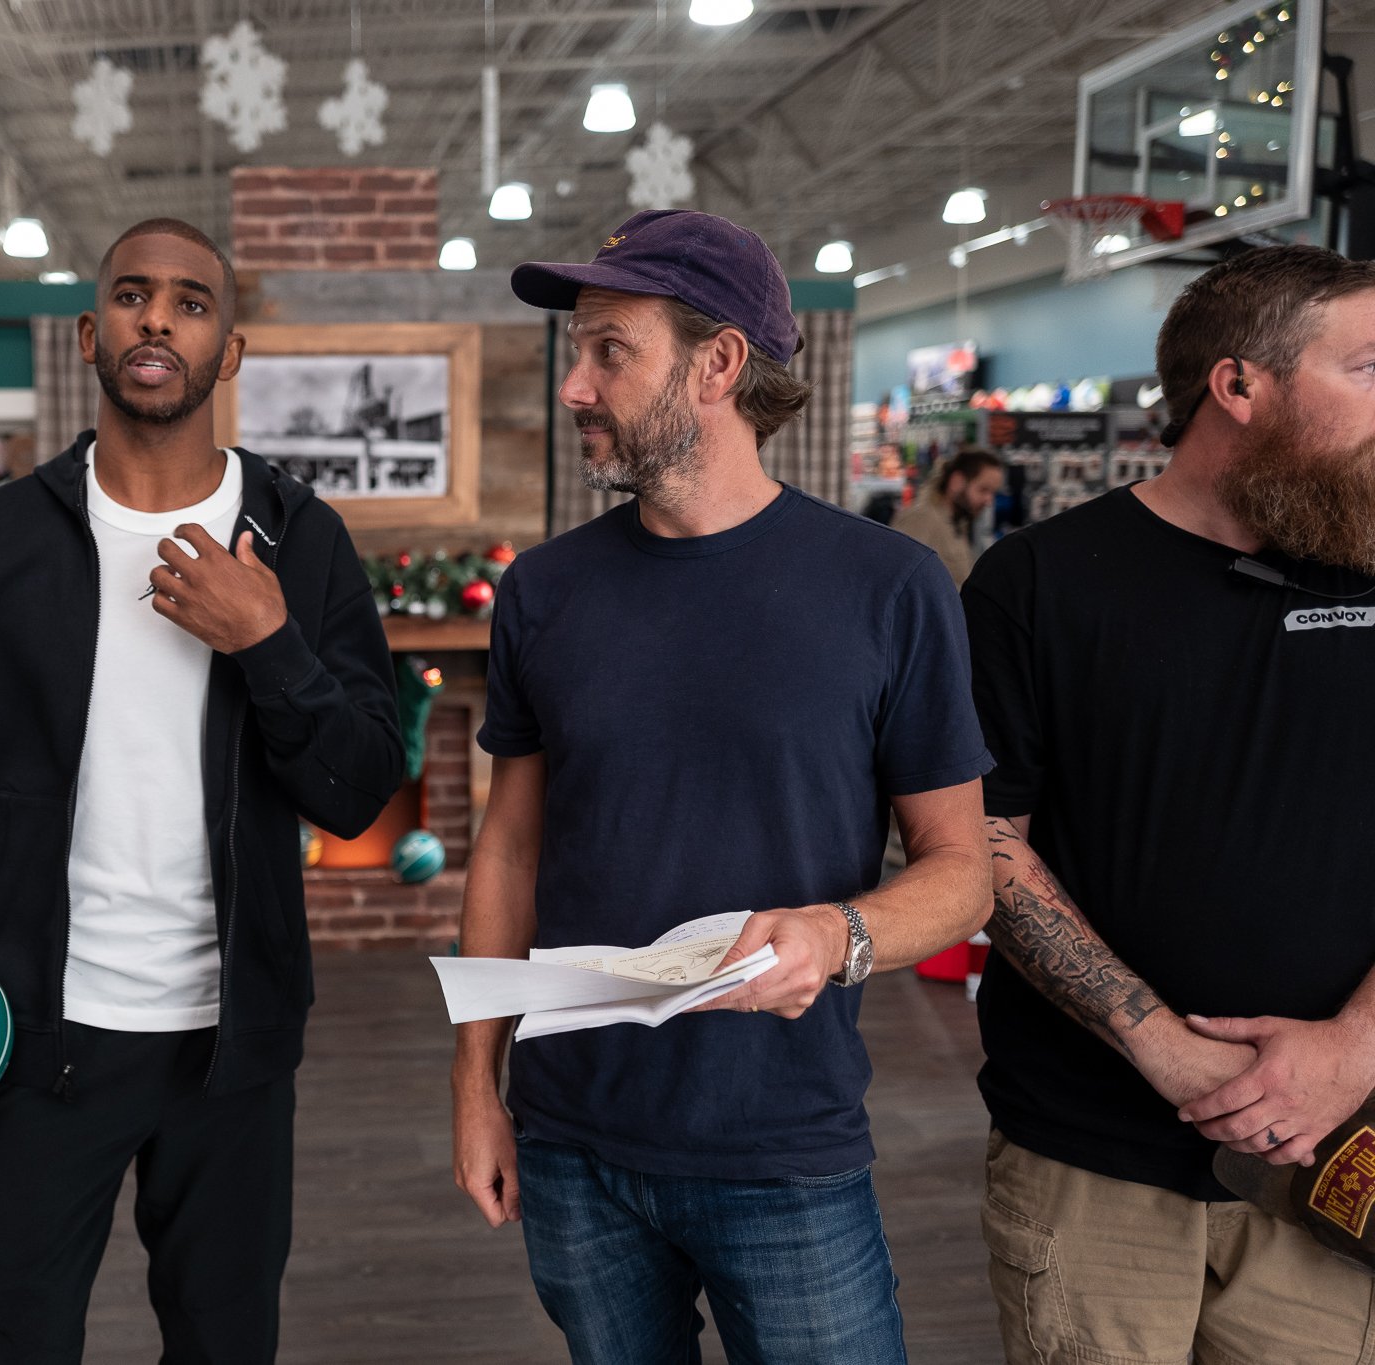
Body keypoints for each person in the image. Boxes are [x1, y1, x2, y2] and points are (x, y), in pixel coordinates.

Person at [0, 218, 403, 1364]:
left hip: (233, 1049)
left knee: (224, 1346)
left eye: (190, 302)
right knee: (14, 1340)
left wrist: (267, 643)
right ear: (89, 334)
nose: (156, 317)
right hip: (27, 1038)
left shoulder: (298, 542)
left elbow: (356, 791)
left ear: (230, 351)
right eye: (130, 295)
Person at [452, 209, 993, 1365]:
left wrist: (838, 934)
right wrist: (476, 1084)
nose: (574, 387)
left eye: (608, 350)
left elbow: (963, 874)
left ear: (717, 363)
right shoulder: (543, 592)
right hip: (571, 1141)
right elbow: (506, 850)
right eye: (575, 352)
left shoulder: (888, 588)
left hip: (781, 1147)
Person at [965, 244, 1375, 1363]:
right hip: (1088, 1156)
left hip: (1334, 1154)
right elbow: (977, 841)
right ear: (1237, 388)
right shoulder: (1039, 583)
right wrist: (1158, 1047)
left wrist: (1354, 1044)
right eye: (1367, 367)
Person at [891, 447, 1004, 586]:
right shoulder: (922, 518)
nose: (989, 500)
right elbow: (898, 581)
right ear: (957, 482)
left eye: (992, 492)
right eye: (983, 490)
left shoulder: (956, 523)